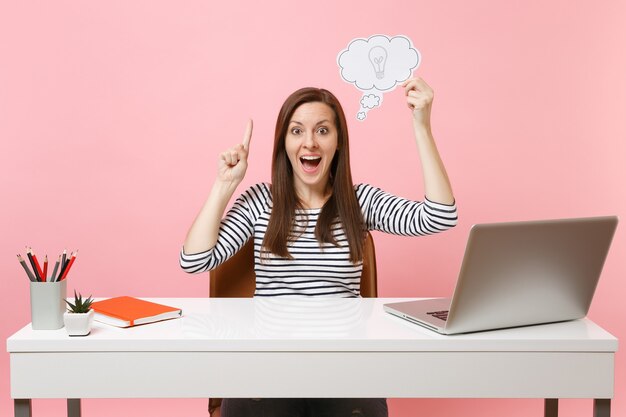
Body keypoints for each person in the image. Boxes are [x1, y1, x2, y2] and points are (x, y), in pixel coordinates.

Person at [180, 77, 457, 416]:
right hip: (268, 367)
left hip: (344, 367)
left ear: (338, 142)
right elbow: (194, 260)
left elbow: (440, 215)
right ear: (283, 143)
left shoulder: (358, 201)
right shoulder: (259, 202)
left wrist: (422, 126)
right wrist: (225, 185)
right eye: (297, 131)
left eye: (323, 131)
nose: (309, 143)